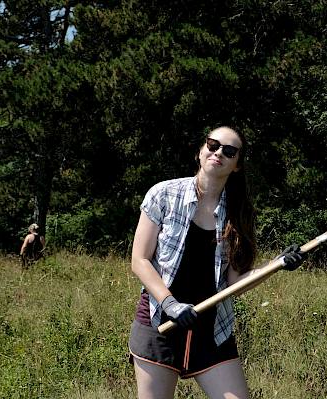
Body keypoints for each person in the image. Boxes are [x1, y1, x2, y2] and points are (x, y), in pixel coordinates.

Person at [128, 126, 304, 399]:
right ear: (201, 151)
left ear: (236, 165)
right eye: (212, 145)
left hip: (212, 330)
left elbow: (234, 284)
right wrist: (169, 303)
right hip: (159, 323)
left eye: (229, 151)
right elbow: (139, 260)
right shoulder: (163, 194)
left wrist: (277, 264)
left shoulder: (239, 214)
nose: (218, 152)